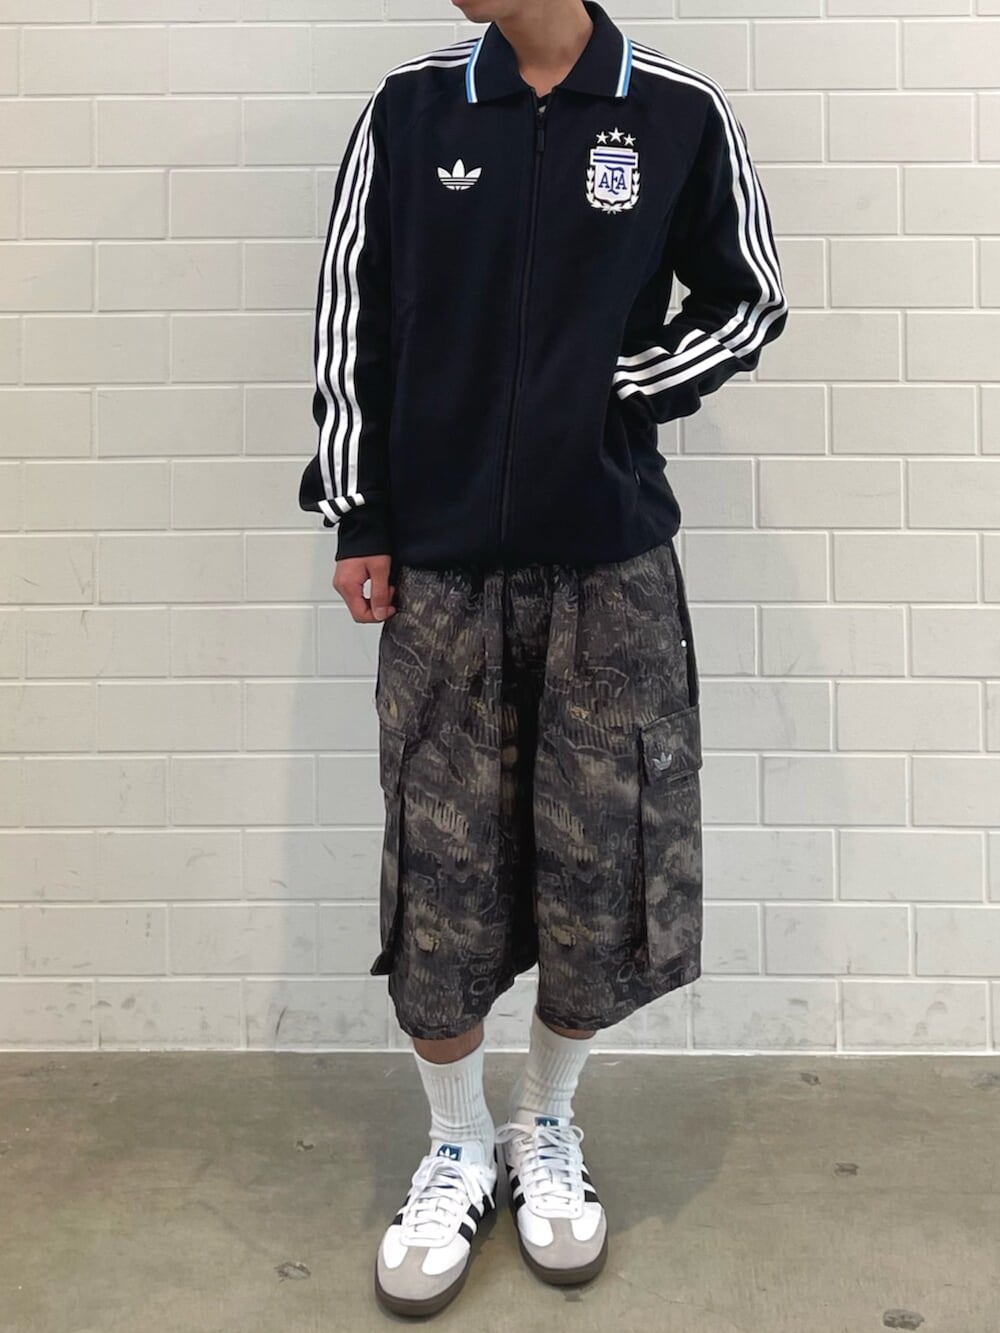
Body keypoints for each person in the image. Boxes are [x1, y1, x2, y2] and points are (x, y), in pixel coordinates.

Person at [299, 0, 786, 1317]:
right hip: (441, 569)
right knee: (439, 876)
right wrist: (360, 511)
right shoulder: (412, 111)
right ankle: (457, 1141)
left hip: (608, 563)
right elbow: (354, 316)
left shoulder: (673, 112)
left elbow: (750, 299)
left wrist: (617, 387)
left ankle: (542, 1122)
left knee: (600, 868)